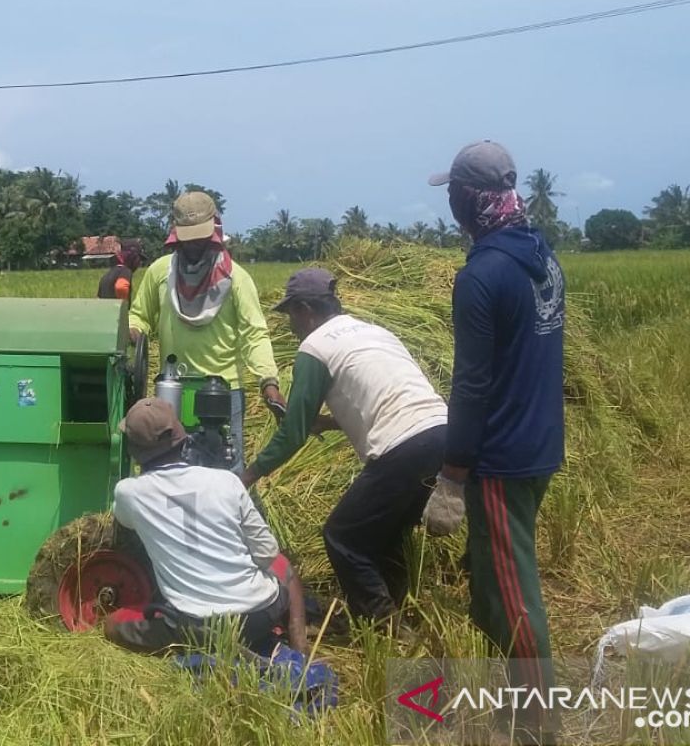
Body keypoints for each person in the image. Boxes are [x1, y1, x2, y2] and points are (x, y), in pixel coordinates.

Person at [427, 140, 565, 739]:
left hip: (502, 458)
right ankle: (509, 704)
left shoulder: (480, 276)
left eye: (453, 194)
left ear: (465, 202)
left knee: (513, 592)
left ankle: (539, 722)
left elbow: (472, 385)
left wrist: (452, 476)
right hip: (541, 442)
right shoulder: (543, 257)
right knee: (489, 582)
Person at [241, 268, 448, 624]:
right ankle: (401, 606)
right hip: (443, 433)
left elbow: (293, 432)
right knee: (388, 532)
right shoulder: (374, 331)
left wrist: (249, 474)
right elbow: (391, 399)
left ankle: (382, 624)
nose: (291, 324)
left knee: (342, 537)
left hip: (402, 446)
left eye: (291, 313)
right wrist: (325, 422)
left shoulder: (315, 346)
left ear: (306, 309)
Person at [105, 398, 306, 654]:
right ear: (182, 436)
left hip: (195, 626)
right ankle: (299, 641)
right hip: (257, 617)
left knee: (113, 625)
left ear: (133, 450)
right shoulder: (227, 481)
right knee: (281, 565)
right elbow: (268, 554)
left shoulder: (129, 493)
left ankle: (201, 646)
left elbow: (124, 522)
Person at [128, 192, 285, 471]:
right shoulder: (160, 273)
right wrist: (134, 330)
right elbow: (140, 315)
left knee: (224, 472)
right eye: (188, 238)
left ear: (214, 230)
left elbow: (254, 334)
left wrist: (268, 382)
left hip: (223, 392)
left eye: (200, 238)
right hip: (172, 389)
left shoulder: (236, 279)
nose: (194, 246)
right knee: (169, 471)